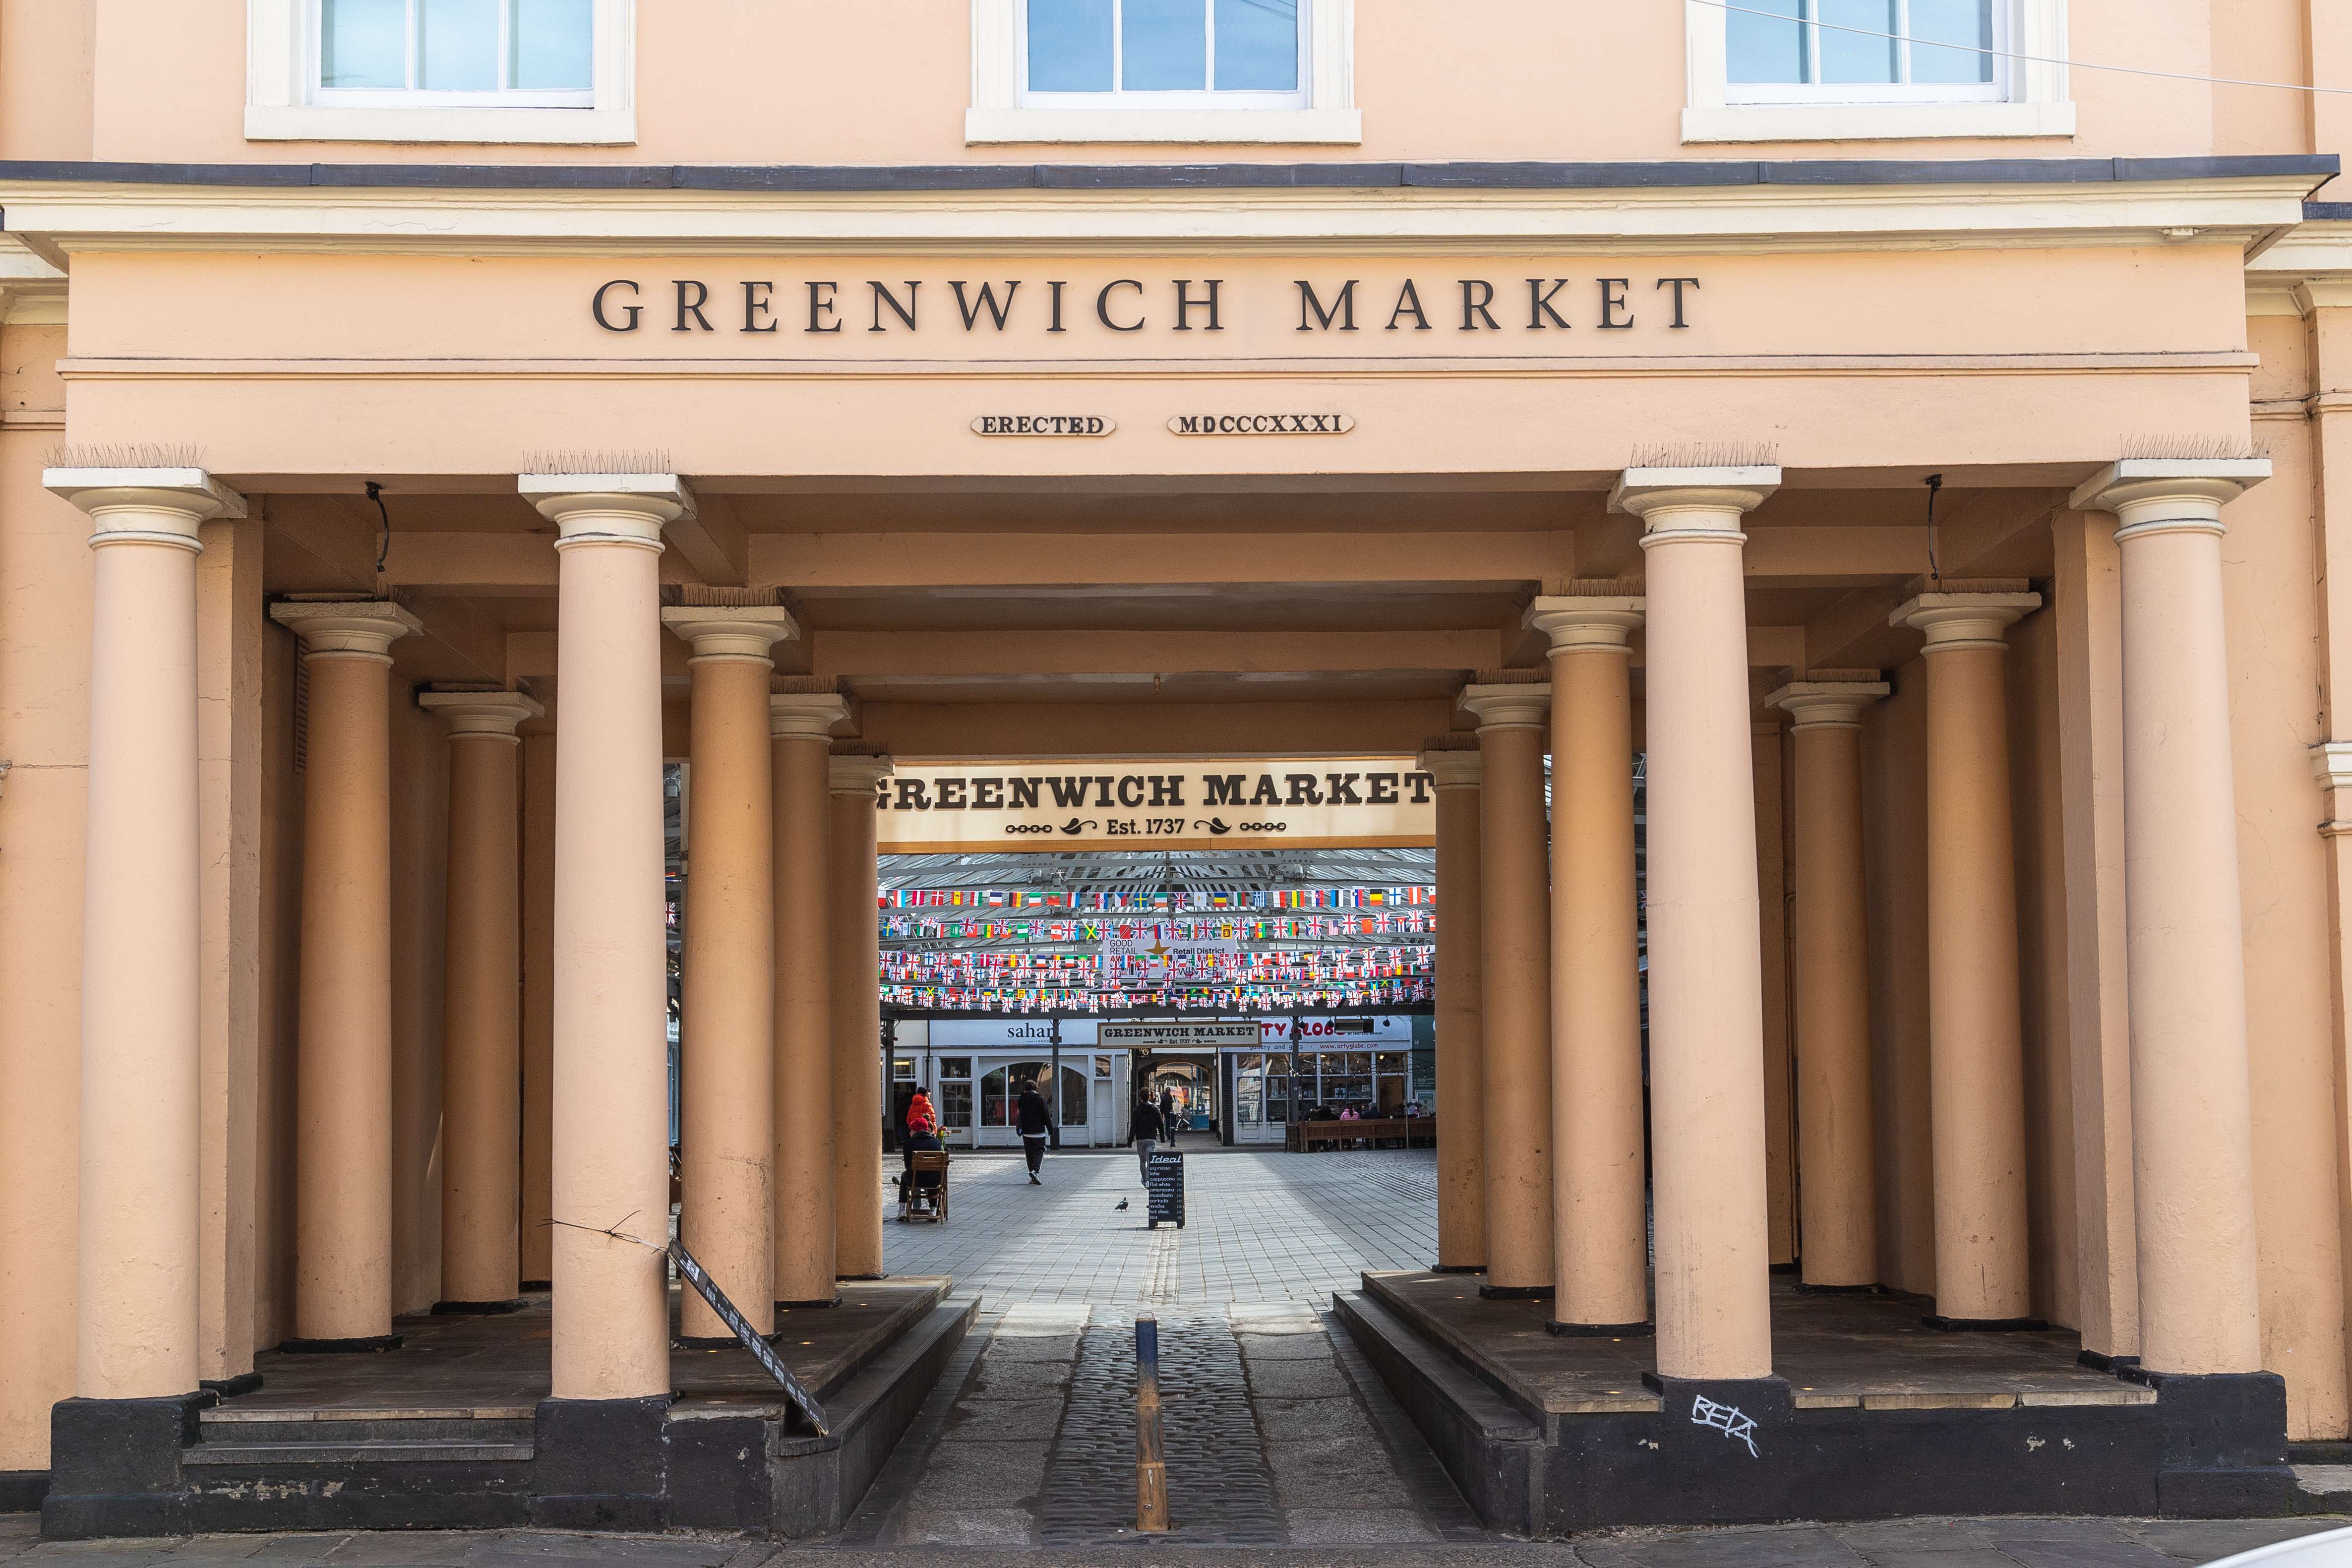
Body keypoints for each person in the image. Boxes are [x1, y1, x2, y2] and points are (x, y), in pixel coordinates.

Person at [901, 1091, 943, 1216]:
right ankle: (933, 1210)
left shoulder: (909, 1144)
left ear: (915, 1130)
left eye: (911, 1130)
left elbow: (908, 1167)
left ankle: (902, 1210)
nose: (910, 1132)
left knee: (905, 1176)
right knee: (931, 1175)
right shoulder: (936, 1143)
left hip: (915, 1180)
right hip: (935, 1180)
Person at [1015, 1078, 1051, 1184]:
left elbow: (1020, 1114)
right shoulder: (1040, 1098)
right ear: (1036, 1087)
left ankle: (1032, 1174)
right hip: (1039, 1131)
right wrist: (1050, 1128)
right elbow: (1046, 1114)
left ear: (1025, 1088)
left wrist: (1019, 1128)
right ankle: (1036, 1171)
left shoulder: (1022, 1099)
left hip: (1027, 1131)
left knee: (1029, 1154)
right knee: (1039, 1152)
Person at [1131, 1093, 1164, 1186]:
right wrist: (1163, 1137)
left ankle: (1145, 1180)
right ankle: (1149, 1180)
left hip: (1141, 1139)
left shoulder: (1136, 1110)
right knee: (1150, 1160)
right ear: (1149, 1097)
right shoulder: (1155, 1109)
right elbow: (1160, 1124)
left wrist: (1130, 1140)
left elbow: (1133, 1126)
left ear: (1141, 1098)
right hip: (1151, 1138)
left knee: (1143, 1161)